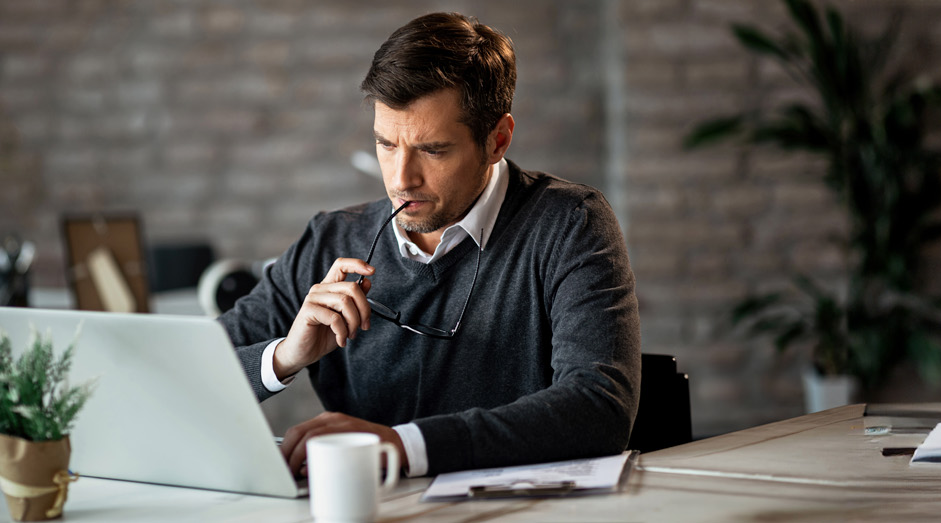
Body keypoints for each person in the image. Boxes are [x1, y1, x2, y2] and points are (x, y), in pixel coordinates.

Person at [217, 12, 640, 478]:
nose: (401, 179)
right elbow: (185, 373)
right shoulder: (330, 240)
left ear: (497, 139)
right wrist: (284, 356)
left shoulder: (570, 223)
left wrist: (403, 446)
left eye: (433, 150)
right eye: (386, 144)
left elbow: (599, 408)